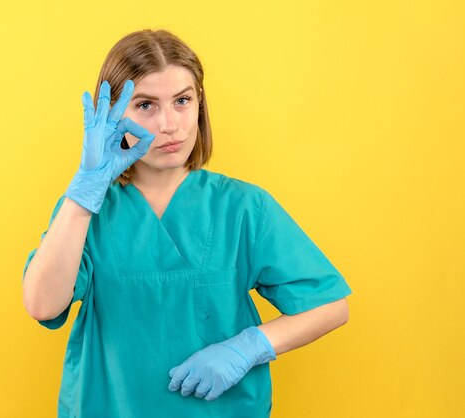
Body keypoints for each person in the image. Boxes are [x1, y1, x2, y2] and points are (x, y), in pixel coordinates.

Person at [22, 29, 352, 418]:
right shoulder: (84, 211)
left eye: (182, 100)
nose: (169, 124)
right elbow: (42, 305)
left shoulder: (243, 207)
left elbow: (330, 305)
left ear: (200, 104)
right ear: (112, 114)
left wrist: (248, 346)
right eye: (145, 105)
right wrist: (83, 195)